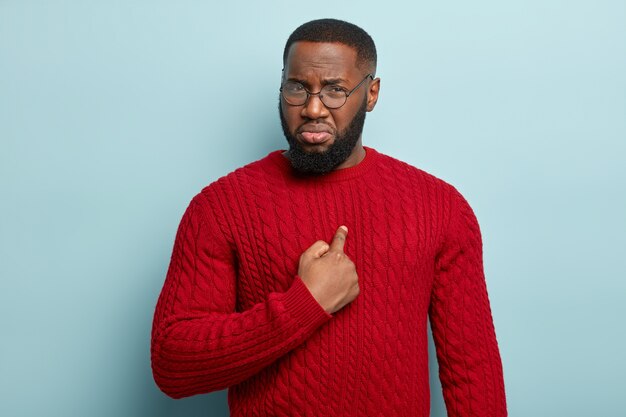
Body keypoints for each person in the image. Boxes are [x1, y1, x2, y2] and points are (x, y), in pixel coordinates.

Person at [151, 18, 507, 417]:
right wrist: (304, 304)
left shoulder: (440, 207)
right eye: (297, 88)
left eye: (335, 90)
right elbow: (172, 364)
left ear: (371, 94)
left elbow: (472, 374)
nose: (313, 108)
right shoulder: (221, 207)